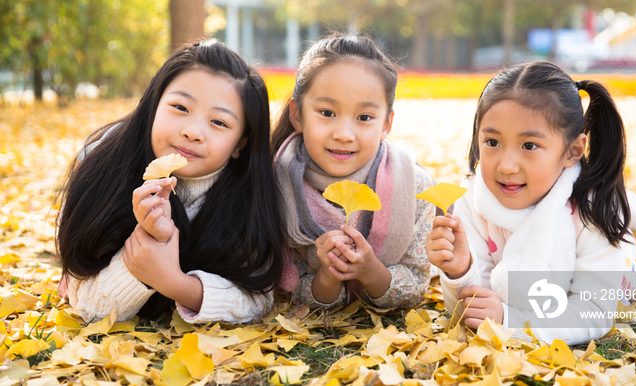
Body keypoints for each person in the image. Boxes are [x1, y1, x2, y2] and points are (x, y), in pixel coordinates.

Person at [56, 39, 287, 324]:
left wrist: (173, 282)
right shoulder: (102, 169)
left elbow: (257, 300)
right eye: (180, 107)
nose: (193, 132)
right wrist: (148, 244)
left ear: (241, 143)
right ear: (154, 104)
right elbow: (88, 304)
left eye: (219, 123)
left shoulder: (249, 196)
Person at [426, 62, 636, 346]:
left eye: (529, 146)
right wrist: (460, 270)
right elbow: (476, 307)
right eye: (493, 142)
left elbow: (593, 312)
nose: (507, 166)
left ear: (573, 151)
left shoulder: (592, 213)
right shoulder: (474, 202)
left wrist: (512, 323)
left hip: (614, 262)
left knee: (622, 214)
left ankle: (634, 209)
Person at [272, 35, 434, 310]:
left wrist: (370, 270)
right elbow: (290, 289)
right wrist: (327, 276)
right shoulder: (277, 185)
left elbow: (416, 285)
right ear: (297, 115)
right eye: (326, 112)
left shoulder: (413, 188)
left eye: (364, 118)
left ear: (386, 124)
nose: (344, 134)